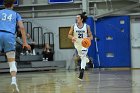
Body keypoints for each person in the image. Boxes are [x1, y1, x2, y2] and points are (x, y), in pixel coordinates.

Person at [0, 0, 30, 92]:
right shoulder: (16, 14)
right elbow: (21, 28)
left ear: (4, 5)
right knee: (11, 61)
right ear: (12, 5)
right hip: (9, 36)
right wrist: (25, 42)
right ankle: (13, 81)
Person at [68, 12, 93, 81]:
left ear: (82, 19)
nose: (77, 19)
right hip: (77, 45)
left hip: (84, 44)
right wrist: (72, 37)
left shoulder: (87, 26)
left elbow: (91, 36)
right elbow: (69, 35)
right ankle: (88, 61)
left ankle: (82, 72)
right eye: (76, 18)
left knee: (83, 55)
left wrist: (89, 38)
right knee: (82, 57)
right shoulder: (73, 26)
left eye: (78, 18)